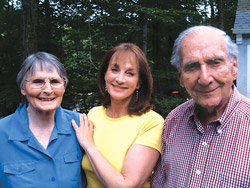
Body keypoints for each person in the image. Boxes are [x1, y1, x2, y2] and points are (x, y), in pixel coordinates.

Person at [151, 25, 250, 187]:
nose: (205, 78)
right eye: (192, 66)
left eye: (215, 63)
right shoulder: (173, 121)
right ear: (180, 78)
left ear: (234, 67)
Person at [72, 43, 164, 188]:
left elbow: (125, 186)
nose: (120, 79)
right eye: (114, 70)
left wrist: (89, 146)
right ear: (105, 74)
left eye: (130, 73)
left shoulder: (152, 122)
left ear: (139, 82)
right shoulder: (94, 114)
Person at [0, 52, 86, 188]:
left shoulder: (81, 125)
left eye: (55, 81)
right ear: (23, 88)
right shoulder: (2, 132)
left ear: (64, 86)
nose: (48, 90)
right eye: (37, 82)